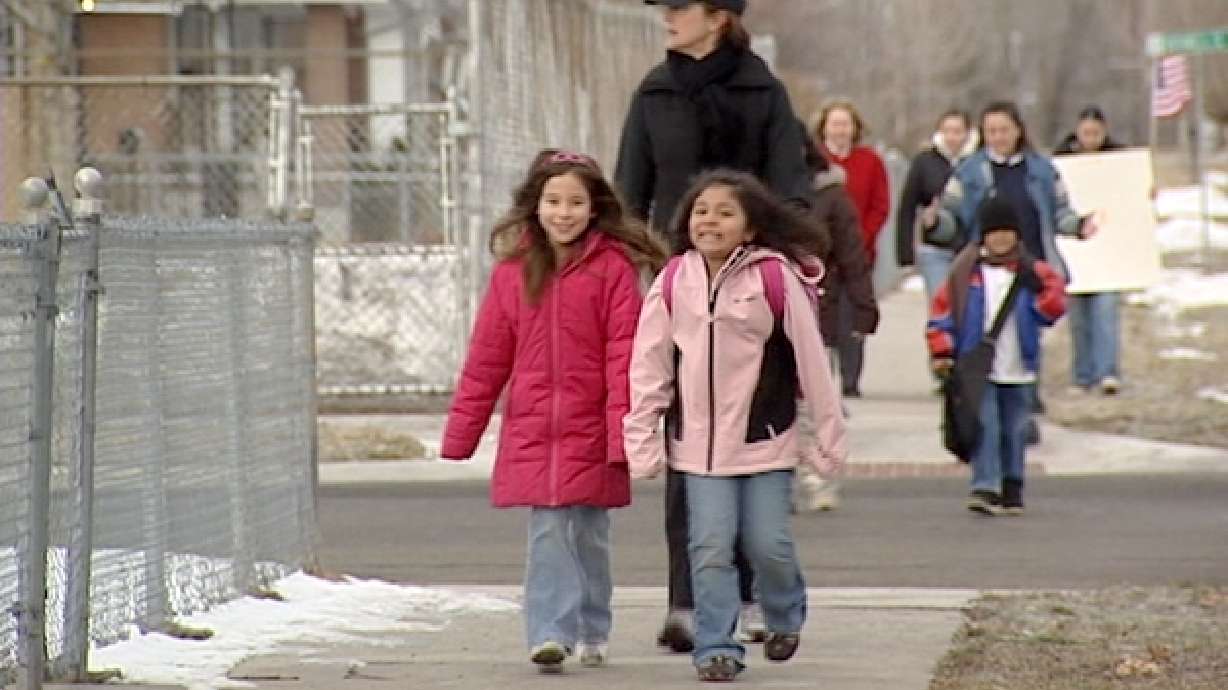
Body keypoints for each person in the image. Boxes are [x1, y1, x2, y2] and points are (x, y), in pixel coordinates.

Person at [614, 0, 814, 651]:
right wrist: (644, 276)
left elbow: (791, 192)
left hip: (755, 299)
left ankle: (753, 594)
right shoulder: (655, 92)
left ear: (719, 16)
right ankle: (687, 599)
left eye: (680, 6)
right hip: (682, 295)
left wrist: (777, 273)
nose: (667, 16)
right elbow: (629, 196)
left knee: (752, 444)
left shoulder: (763, 92)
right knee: (688, 445)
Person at [440, 149, 666, 672]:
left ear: (594, 209)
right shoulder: (513, 273)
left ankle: (592, 624)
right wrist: (461, 433)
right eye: (553, 201)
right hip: (535, 429)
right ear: (535, 206)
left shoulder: (613, 270)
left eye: (575, 202)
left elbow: (624, 357)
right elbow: (487, 358)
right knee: (548, 529)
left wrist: (623, 434)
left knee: (588, 533)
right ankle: (549, 633)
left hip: (592, 426)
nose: (563, 213)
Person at [624, 169, 847, 681]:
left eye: (725, 212)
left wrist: (828, 435)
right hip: (697, 451)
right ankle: (717, 645)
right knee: (708, 547)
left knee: (768, 544)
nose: (710, 221)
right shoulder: (675, 279)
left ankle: (785, 615)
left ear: (749, 229)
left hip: (764, 441)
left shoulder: (774, 278)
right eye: (702, 211)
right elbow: (650, 363)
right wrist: (641, 437)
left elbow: (812, 362)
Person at [922, 100, 1098, 443]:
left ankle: (1024, 412)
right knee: (990, 341)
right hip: (984, 270)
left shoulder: (1043, 170)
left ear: (1018, 130)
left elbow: (1060, 212)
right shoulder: (969, 172)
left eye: (1004, 130)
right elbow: (951, 218)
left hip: (1031, 268)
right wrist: (933, 224)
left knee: (1027, 340)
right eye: (991, 132)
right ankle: (988, 414)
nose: (999, 137)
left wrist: (1079, 225)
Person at [927, 196, 1066, 515]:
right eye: (994, 232)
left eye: (1007, 232)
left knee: (1015, 427)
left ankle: (1012, 484)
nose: (1000, 238)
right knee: (984, 423)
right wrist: (942, 349)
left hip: (1020, 366)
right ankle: (985, 485)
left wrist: (1042, 293)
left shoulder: (1035, 271)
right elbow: (942, 314)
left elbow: (1054, 309)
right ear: (983, 235)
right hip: (977, 366)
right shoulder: (965, 273)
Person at [794, 123, 878, 512]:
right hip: (763, 316)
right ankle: (779, 480)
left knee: (814, 402)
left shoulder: (831, 198)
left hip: (817, 312)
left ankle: (818, 476)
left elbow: (852, 257)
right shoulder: (754, 195)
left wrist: (864, 308)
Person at [809, 98, 889, 399]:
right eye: (835, 123)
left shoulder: (870, 161)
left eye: (846, 124)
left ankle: (852, 377)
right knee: (824, 314)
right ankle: (822, 377)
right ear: (824, 127)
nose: (841, 130)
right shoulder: (813, 161)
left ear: (855, 128)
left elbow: (880, 206)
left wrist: (861, 238)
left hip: (859, 253)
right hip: (822, 254)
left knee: (854, 311)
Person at [1053, 105, 1125, 395]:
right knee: (1079, 317)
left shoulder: (1119, 160)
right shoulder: (1063, 161)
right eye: (1086, 133)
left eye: (1096, 133)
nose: (1091, 138)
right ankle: (1082, 375)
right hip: (1076, 252)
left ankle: (1107, 372)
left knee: (1107, 312)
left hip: (1109, 251)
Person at [896, 109, 978, 300]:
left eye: (957, 131)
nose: (952, 137)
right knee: (941, 306)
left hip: (970, 248)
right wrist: (905, 254)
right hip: (934, 247)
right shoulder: (925, 161)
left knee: (969, 308)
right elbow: (907, 206)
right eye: (947, 131)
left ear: (967, 133)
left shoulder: (977, 162)